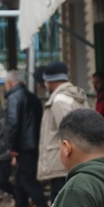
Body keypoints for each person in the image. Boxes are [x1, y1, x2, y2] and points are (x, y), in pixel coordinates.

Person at [4, 69, 49, 207]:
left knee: (28, 181)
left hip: (23, 146)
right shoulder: (33, 97)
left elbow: (13, 123)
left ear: (9, 83)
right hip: (33, 144)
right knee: (19, 181)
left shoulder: (13, 98)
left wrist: (11, 146)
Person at [38, 62, 88, 199]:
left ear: (50, 81)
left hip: (62, 163)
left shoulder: (60, 100)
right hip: (74, 161)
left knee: (61, 204)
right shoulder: (75, 97)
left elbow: (69, 132)